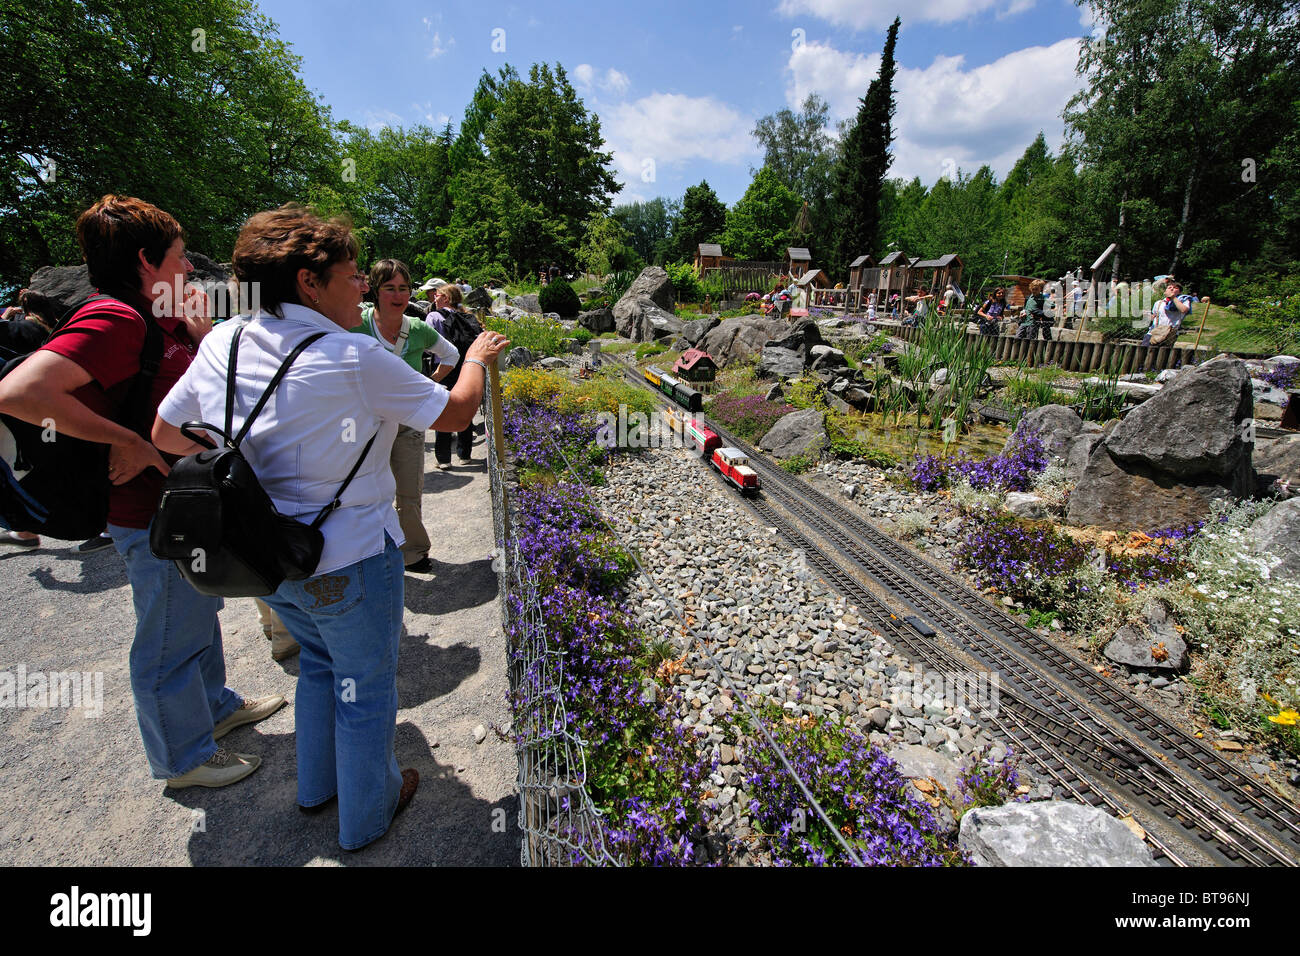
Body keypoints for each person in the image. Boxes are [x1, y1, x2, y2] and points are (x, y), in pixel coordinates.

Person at [152, 204, 510, 851]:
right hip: (347, 559)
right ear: (308, 283)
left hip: (265, 557)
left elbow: (166, 434)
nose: (363, 290)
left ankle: (315, 789)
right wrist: (478, 356)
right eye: (351, 277)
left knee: (318, 664)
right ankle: (367, 817)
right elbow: (456, 413)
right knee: (366, 687)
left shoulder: (222, 343)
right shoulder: (351, 355)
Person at [0, 194, 284, 788]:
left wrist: (195, 323)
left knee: (197, 611)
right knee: (167, 636)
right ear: (145, 262)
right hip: (151, 512)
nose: (189, 268)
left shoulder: (154, 314)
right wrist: (128, 441)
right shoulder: (115, 319)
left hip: (179, 502)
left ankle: (215, 708)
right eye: (180, 256)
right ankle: (181, 758)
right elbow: (21, 392)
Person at [352, 259, 459, 573]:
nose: (398, 295)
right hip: (363, 424)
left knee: (408, 491)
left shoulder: (418, 328)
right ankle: (371, 552)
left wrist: (428, 385)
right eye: (389, 288)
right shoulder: (355, 323)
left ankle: (412, 552)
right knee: (364, 489)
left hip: (406, 424)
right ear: (375, 291)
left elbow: (451, 355)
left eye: (403, 288)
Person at [430, 283, 484, 469]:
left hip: (443, 368)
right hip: (466, 367)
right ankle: (465, 455)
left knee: (441, 409)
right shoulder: (468, 316)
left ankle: (444, 459)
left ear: (445, 298)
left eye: (437, 295)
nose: (434, 298)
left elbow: (428, 345)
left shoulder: (434, 316)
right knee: (464, 408)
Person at [1142, 280, 1192, 346]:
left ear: (1179, 292)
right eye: (1169, 287)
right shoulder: (1159, 303)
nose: (1172, 288)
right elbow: (1154, 317)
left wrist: (1173, 297)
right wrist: (1147, 315)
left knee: (1163, 355)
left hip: (1169, 335)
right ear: (1165, 291)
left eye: (1175, 288)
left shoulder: (1184, 300)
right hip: (1153, 333)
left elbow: (1184, 310)